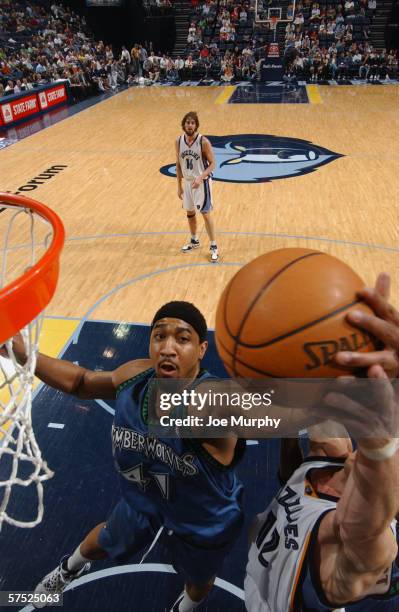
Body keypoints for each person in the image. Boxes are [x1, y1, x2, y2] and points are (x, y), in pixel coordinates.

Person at [14, 301, 244, 611]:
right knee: (102, 539)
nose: (167, 348)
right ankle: (70, 567)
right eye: (159, 336)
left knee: (199, 579)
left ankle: (185, 607)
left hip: (203, 516)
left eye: (182, 339)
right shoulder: (135, 376)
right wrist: (24, 353)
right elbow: (80, 382)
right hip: (145, 498)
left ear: (202, 349)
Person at [245, 273, 399, 611]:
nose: (359, 454)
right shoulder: (331, 456)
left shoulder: (346, 541)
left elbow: (366, 531)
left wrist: (383, 444)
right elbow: (319, 417)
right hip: (257, 582)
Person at [176, 111, 219, 263]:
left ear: (196, 125)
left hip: (202, 182)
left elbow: (213, 163)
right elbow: (178, 164)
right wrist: (179, 186)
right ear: (184, 124)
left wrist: (200, 178)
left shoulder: (203, 142)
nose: (190, 125)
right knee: (190, 212)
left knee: (205, 213)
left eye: (192, 123)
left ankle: (214, 246)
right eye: (187, 122)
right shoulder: (178, 141)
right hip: (187, 182)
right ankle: (194, 240)